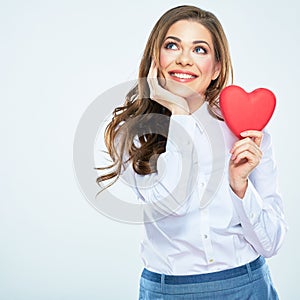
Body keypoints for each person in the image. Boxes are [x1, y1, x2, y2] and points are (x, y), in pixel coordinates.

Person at [97, 5, 287, 299]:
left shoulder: (247, 130)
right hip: (168, 291)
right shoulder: (131, 135)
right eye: (172, 46)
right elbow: (174, 204)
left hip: (247, 286)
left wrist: (241, 187)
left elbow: (271, 243)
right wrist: (179, 114)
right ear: (155, 60)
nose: (184, 59)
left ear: (217, 68)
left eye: (199, 50)